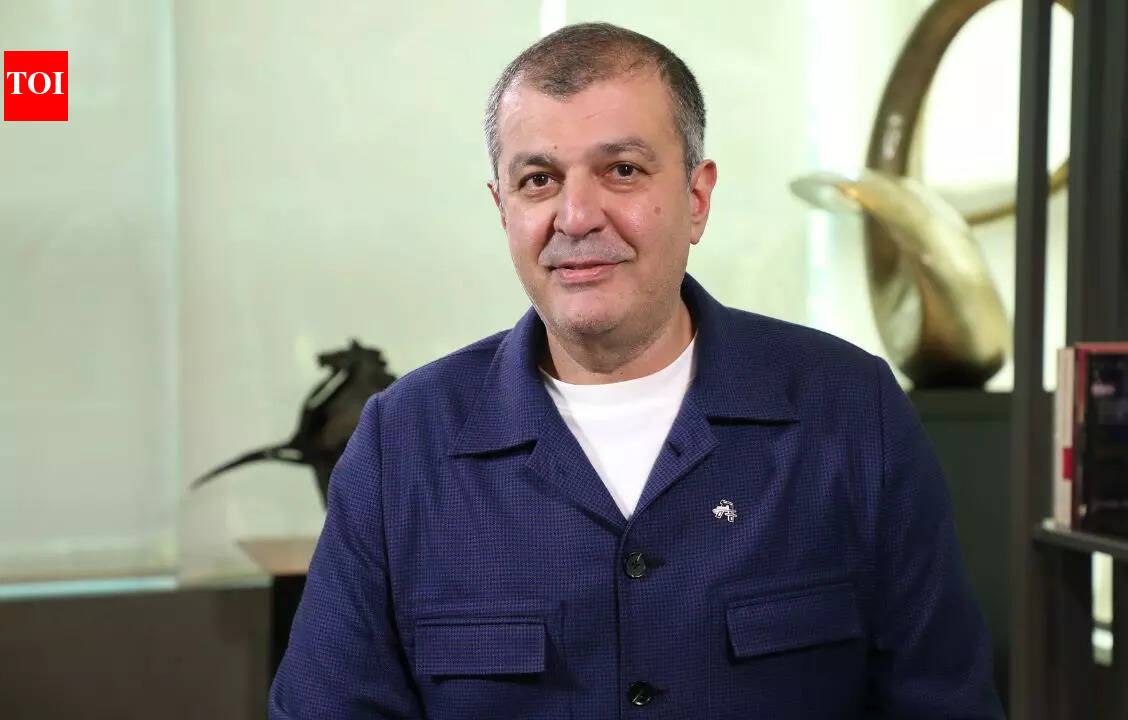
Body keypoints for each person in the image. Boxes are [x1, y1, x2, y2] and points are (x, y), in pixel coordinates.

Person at [269, 22, 1002, 719]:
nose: (576, 216)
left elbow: (944, 704)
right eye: (538, 179)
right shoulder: (403, 445)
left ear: (696, 198)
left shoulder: (849, 413)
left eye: (621, 171)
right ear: (502, 209)